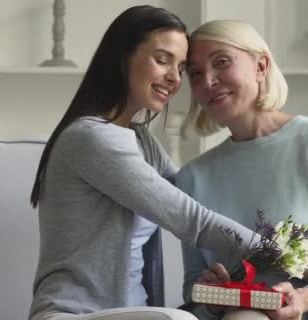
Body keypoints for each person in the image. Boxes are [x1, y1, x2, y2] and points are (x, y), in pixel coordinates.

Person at [28, 7, 264, 320]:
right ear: (122, 56)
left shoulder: (141, 141)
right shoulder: (91, 138)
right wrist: (288, 258)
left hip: (132, 313)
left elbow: (191, 196)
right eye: (162, 59)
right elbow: (191, 218)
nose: (173, 78)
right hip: (74, 314)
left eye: (180, 67)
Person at [177, 20, 308, 320]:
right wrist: (210, 297)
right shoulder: (192, 177)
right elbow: (193, 291)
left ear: (261, 66)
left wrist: (306, 298)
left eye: (222, 62)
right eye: (195, 73)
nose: (208, 80)